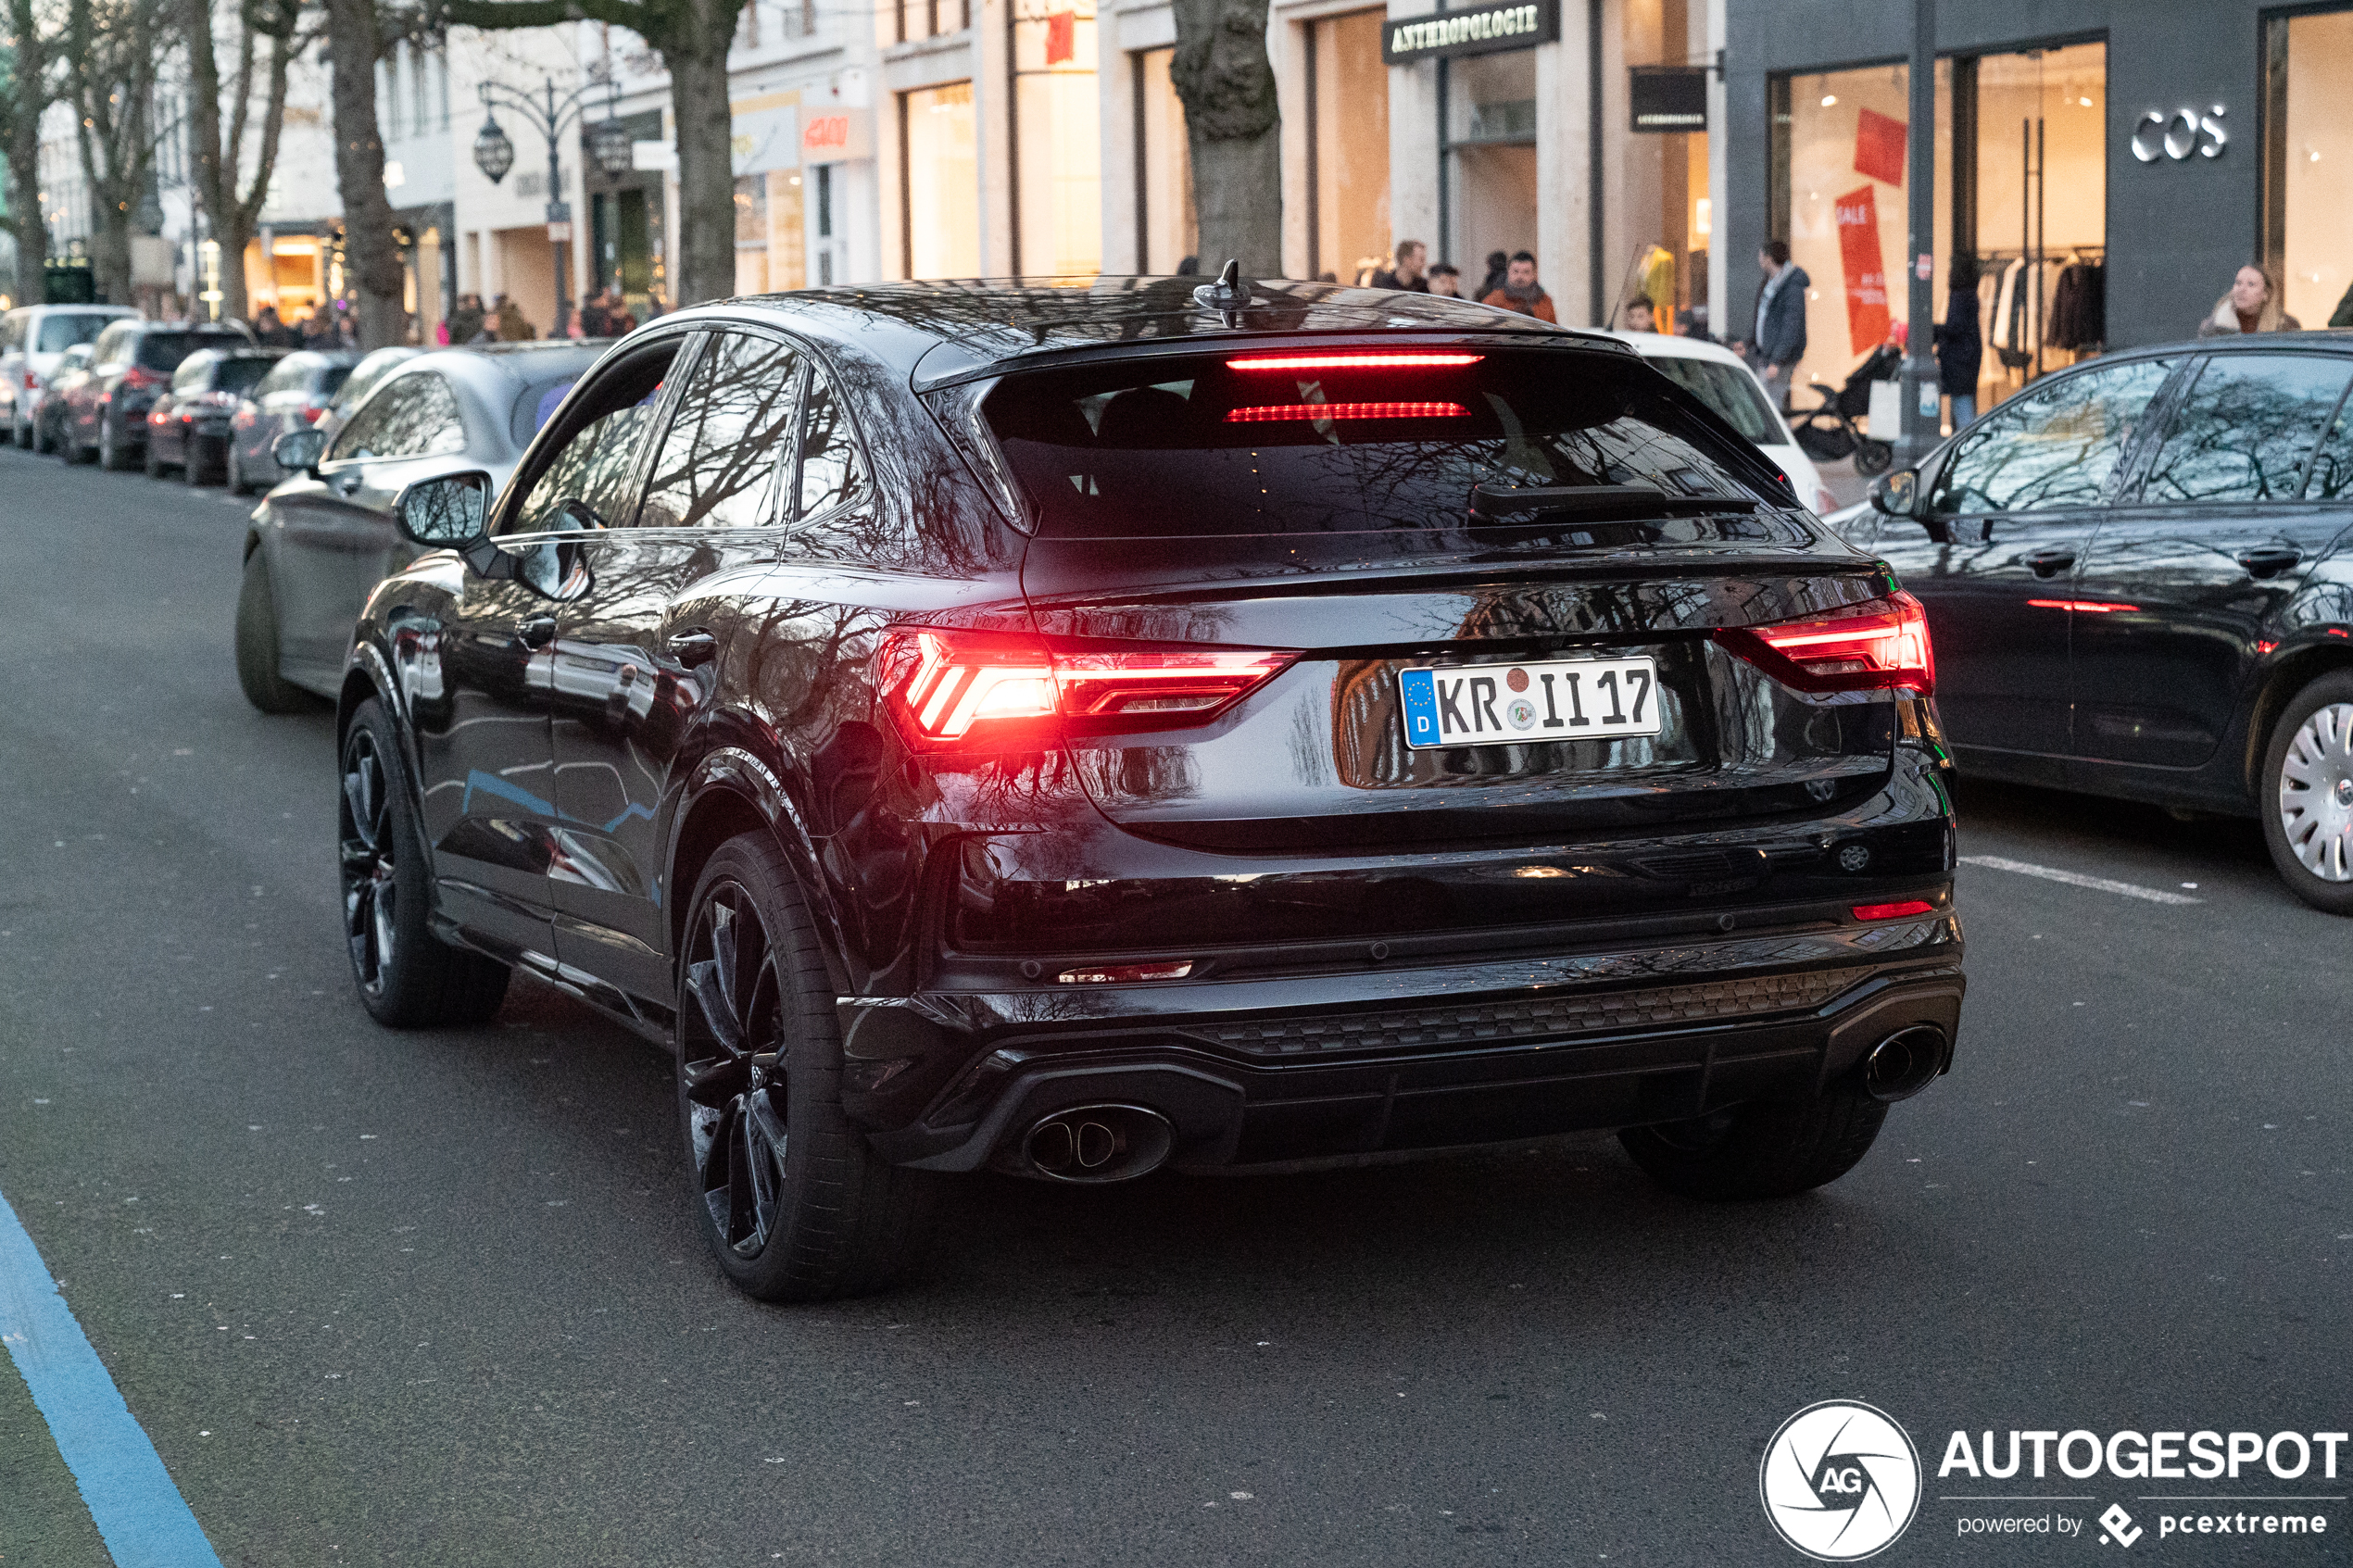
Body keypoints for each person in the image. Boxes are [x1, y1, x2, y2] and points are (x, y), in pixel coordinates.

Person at [1743, 240, 1809, 402]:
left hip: (1777, 361)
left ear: (1768, 258)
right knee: (1765, 403)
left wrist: (1777, 361)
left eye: (1761, 255)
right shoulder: (1770, 283)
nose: (1759, 260)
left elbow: (1791, 327)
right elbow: (1763, 319)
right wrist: (1749, 343)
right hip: (1767, 357)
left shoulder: (1791, 287)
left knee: (1772, 406)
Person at [1932, 256, 1982, 433]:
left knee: (1961, 401)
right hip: (1966, 356)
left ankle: (1966, 438)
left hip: (1959, 358)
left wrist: (1935, 330)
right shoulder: (1970, 295)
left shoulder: (1960, 296)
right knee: (1962, 399)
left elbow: (1955, 327)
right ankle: (1965, 436)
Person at [2198, 263, 2300, 336]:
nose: (2241, 290)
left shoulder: (2286, 327)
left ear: (2266, 294)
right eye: (2238, 283)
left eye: (2251, 284)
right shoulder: (2213, 327)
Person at [1480, 251, 1556, 322]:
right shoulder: (1494, 300)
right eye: (1515, 271)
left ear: (1534, 274)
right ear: (1508, 272)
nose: (1520, 276)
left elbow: (1553, 332)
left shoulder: (1544, 302)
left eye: (1526, 272)